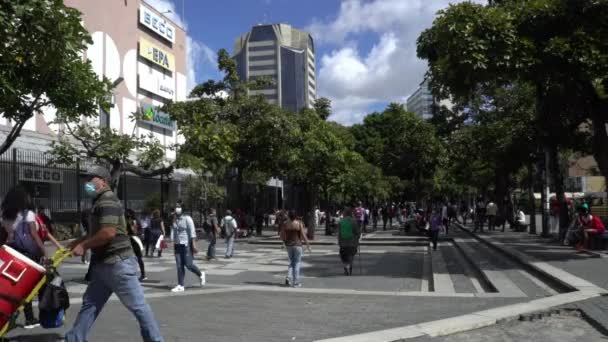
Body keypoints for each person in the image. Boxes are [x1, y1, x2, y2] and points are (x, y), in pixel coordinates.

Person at [65, 166, 163, 342]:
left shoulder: (108, 200)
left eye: (91, 179)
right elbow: (98, 231)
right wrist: (77, 242)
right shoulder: (99, 201)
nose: (87, 183)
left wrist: (85, 245)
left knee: (138, 306)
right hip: (104, 265)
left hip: (118, 264)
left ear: (103, 181)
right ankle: (74, 338)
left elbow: (108, 233)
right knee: (90, 304)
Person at [1, 186, 53, 329]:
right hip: (27, 254)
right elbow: (34, 235)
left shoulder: (5, 214)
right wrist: (44, 252)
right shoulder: (27, 214)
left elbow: (3, 235)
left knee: (15, 286)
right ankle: (31, 318)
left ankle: (14, 315)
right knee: (30, 285)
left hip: (10, 252)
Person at [170, 205, 205, 292]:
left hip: (186, 245)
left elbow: (192, 232)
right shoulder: (174, 220)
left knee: (188, 265)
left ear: (179, 212)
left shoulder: (187, 219)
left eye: (174, 212)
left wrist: (193, 245)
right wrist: (173, 246)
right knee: (179, 265)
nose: (173, 214)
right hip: (178, 245)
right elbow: (174, 233)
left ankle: (200, 274)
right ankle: (180, 285)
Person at [280, 210, 311, 287]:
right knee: (297, 263)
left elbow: (282, 235)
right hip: (297, 245)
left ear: (289, 216)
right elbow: (303, 235)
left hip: (289, 245)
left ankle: (288, 276)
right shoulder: (299, 223)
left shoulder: (285, 224)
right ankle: (296, 282)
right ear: (296, 216)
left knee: (291, 261)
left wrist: (283, 242)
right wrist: (308, 244)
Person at [338, 207, 361, 276]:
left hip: (343, 243)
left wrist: (339, 241)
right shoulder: (354, 221)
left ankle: (346, 267)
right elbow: (357, 232)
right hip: (352, 242)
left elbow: (339, 233)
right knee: (351, 255)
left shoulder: (341, 221)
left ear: (344, 213)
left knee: (343, 256)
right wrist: (357, 238)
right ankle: (350, 267)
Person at [126, 209, 146, 281]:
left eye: (128, 215)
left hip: (135, 240)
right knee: (130, 258)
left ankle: (143, 274)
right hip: (131, 241)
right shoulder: (130, 221)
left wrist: (131, 225)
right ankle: (133, 273)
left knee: (138, 257)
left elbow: (134, 231)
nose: (128, 216)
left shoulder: (134, 221)